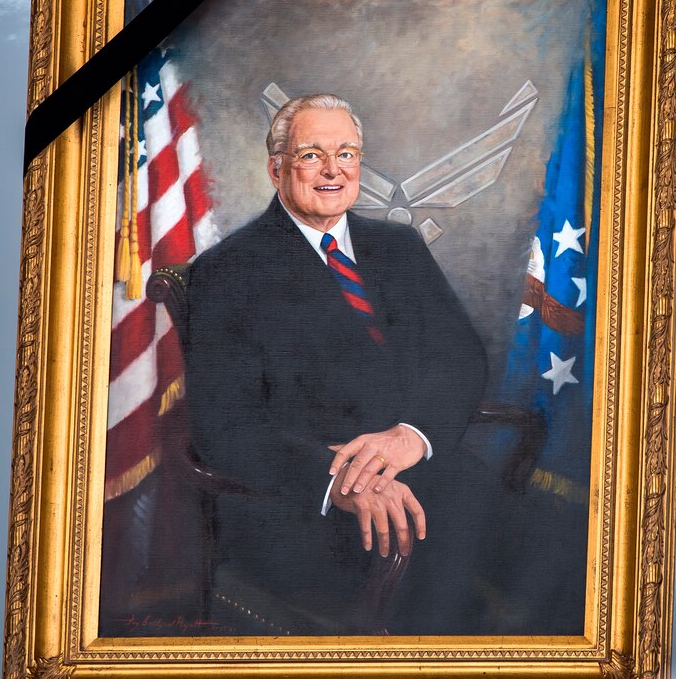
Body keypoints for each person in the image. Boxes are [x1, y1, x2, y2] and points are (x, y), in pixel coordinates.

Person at [184, 94, 489, 634]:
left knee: (558, 546)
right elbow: (225, 428)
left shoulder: (399, 247)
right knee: (443, 567)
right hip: (301, 504)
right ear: (276, 168)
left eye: (347, 154)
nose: (333, 170)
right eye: (311, 155)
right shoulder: (227, 272)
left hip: (428, 472)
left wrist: (412, 434)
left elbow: (461, 357)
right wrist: (342, 481)